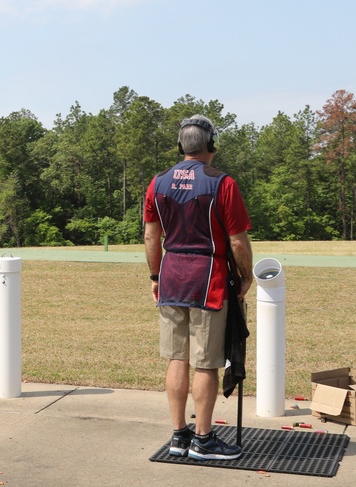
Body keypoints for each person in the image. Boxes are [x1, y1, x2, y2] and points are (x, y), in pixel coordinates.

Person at [143, 115, 253, 460]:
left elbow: (151, 235)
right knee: (206, 362)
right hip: (208, 279)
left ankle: (179, 435)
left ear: (181, 146)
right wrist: (246, 274)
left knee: (178, 358)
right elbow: (237, 241)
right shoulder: (223, 183)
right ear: (212, 146)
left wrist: (156, 276)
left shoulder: (158, 182)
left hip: (172, 275)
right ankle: (203, 440)